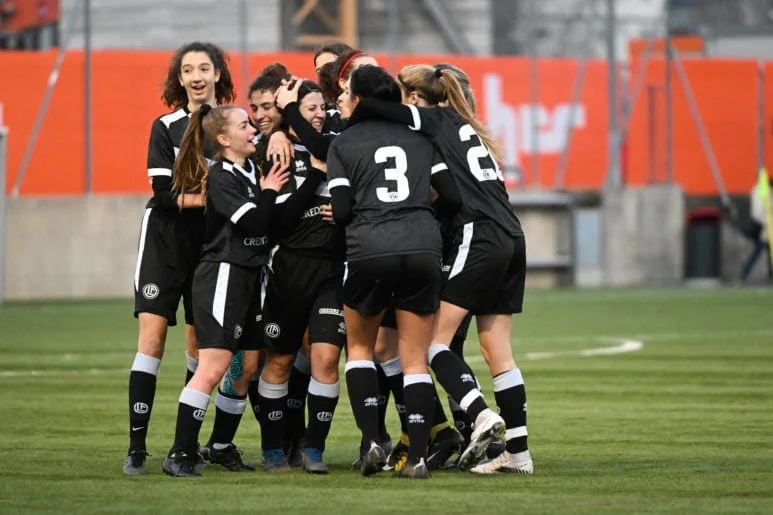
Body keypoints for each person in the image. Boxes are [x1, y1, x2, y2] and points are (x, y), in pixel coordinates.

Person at [351, 63, 534, 474]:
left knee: (432, 342)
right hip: (511, 235)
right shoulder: (471, 130)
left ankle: (480, 414)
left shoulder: (433, 118)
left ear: (415, 96)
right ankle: (518, 456)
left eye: (404, 93)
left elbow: (385, 112)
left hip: (479, 234)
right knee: (496, 349)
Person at [329, 65, 461, 479]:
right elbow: (453, 196)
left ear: (360, 99)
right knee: (414, 359)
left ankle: (372, 442)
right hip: (422, 247)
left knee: (361, 348)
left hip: (370, 248)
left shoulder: (344, 142)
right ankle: (419, 457)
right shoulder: (422, 136)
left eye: (348, 92)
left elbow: (345, 209)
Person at [124, 41, 235, 476]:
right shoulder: (165, 126)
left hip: (209, 247)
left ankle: (181, 447)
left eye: (204, 68)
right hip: (164, 245)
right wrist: (214, 196)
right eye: (188, 69)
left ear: (217, 75)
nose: (196, 76)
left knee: (198, 350)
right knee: (151, 341)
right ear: (179, 79)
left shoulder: (231, 125)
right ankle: (136, 448)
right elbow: (163, 196)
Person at [162, 103, 290, 477]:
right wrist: (268, 192)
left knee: (247, 366)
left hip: (250, 278)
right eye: (243, 124)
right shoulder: (221, 176)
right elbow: (252, 222)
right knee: (214, 366)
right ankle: (180, 453)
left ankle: (219, 446)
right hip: (223, 276)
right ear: (223, 139)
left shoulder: (250, 169)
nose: (253, 129)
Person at [256, 79, 348, 475]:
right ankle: (273, 448)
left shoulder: (338, 148)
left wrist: (342, 214)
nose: (317, 113)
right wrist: (313, 176)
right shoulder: (277, 151)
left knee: (326, 359)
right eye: (308, 107)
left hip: (331, 271)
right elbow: (278, 219)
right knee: (279, 361)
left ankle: (314, 448)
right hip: (289, 270)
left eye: (320, 107)